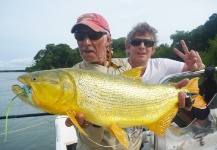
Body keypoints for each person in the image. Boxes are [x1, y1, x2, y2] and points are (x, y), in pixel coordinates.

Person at [65, 13, 196, 150]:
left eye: (94, 35)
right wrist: (94, 123)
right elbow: (90, 144)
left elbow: (139, 96)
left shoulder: (124, 66)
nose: (86, 42)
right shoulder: (73, 79)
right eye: (79, 36)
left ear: (108, 39)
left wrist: (171, 93)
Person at [125, 22, 211, 149]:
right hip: (126, 127)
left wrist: (197, 66)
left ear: (153, 49)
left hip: (154, 127)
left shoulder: (162, 64)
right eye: (137, 42)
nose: (142, 46)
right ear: (128, 47)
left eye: (148, 43)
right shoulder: (115, 69)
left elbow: (197, 69)